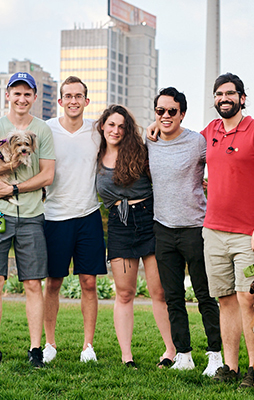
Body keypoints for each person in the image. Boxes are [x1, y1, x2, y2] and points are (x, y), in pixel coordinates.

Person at [0, 72, 55, 369]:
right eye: (16, 93)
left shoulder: (41, 130)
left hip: (31, 216)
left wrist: (14, 187)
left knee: (33, 284)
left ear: (33, 97)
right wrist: (6, 168)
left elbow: (47, 175)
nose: (21, 98)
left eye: (27, 93)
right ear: (8, 95)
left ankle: (35, 350)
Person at [200, 73, 254, 386]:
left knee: (251, 301)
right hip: (213, 232)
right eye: (219, 94)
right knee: (225, 301)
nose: (224, 98)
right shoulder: (211, 132)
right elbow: (178, 139)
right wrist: (154, 129)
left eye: (230, 93)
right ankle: (230, 368)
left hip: (250, 235)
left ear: (242, 98)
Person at [146, 87, 223, 375]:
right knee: (173, 297)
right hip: (163, 229)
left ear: (182, 114)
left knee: (205, 295)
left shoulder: (198, 142)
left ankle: (215, 354)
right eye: (160, 111)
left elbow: (221, 162)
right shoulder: (149, 140)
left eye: (171, 112)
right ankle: (184, 354)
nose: (165, 116)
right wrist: (151, 127)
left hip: (195, 229)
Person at [95, 104, 174, 368]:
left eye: (121, 126)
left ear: (127, 130)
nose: (115, 130)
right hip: (119, 224)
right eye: (111, 125)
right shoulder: (93, 155)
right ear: (102, 126)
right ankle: (126, 355)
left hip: (148, 219)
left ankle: (171, 350)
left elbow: (164, 172)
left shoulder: (141, 151)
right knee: (125, 293)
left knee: (158, 291)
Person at [40, 76, 106, 364]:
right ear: (60, 101)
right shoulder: (47, 130)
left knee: (89, 283)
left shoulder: (97, 130)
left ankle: (87, 346)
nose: (73, 100)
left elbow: (126, 131)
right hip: (54, 216)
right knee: (53, 282)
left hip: (88, 215)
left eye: (79, 96)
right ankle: (49, 344)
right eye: (68, 96)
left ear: (86, 101)